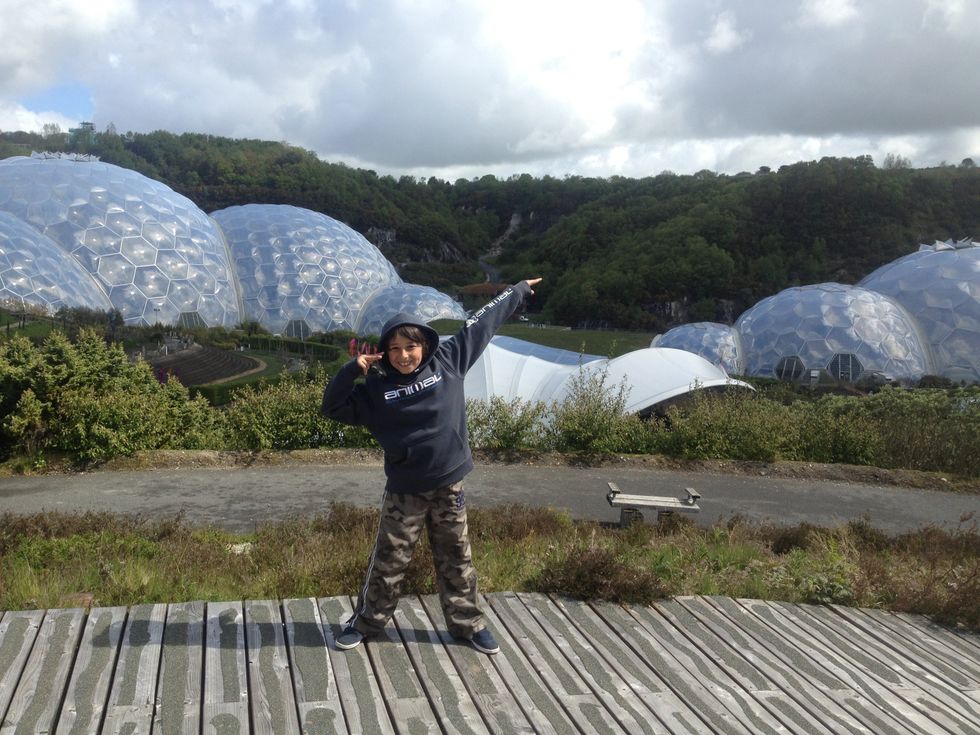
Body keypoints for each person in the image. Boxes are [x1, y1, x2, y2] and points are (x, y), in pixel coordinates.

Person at [321, 278, 542, 654]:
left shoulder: (449, 360)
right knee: (389, 560)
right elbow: (332, 407)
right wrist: (351, 370)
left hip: (449, 485)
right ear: (384, 352)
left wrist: (517, 290)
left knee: (457, 555)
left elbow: (482, 323)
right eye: (394, 349)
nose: (403, 356)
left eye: (411, 347)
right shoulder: (376, 391)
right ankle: (366, 623)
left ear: (424, 344)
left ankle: (468, 625)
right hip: (404, 490)